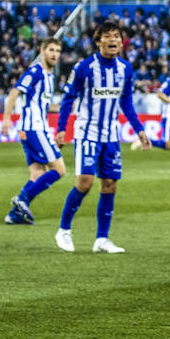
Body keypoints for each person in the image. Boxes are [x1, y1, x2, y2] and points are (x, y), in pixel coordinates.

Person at [54, 22, 151, 253]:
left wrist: (139, 129)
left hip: (111, 135)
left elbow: (125, 102)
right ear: (98, 42)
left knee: (109, 185)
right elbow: (68, 99)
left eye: (117, 36)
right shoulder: (84, 68)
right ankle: (64, 230)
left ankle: (102, 239)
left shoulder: (125, 68)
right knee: (85, 183)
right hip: (87, 133)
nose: (113, 40)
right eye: (108, 36)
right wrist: (61, 129)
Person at [0, 37, 66, 224]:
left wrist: (68, 108)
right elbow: (15, 92)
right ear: (42, 51)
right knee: (59, 169)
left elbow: (45, 105)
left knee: (37, 174)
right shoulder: (35, 71)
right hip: (34, 128)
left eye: (57, 51)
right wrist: (6, 118)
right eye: (51, 50)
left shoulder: (49, 76)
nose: (54, 54)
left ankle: (14, 215)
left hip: (30, 129)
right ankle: (23, 199)